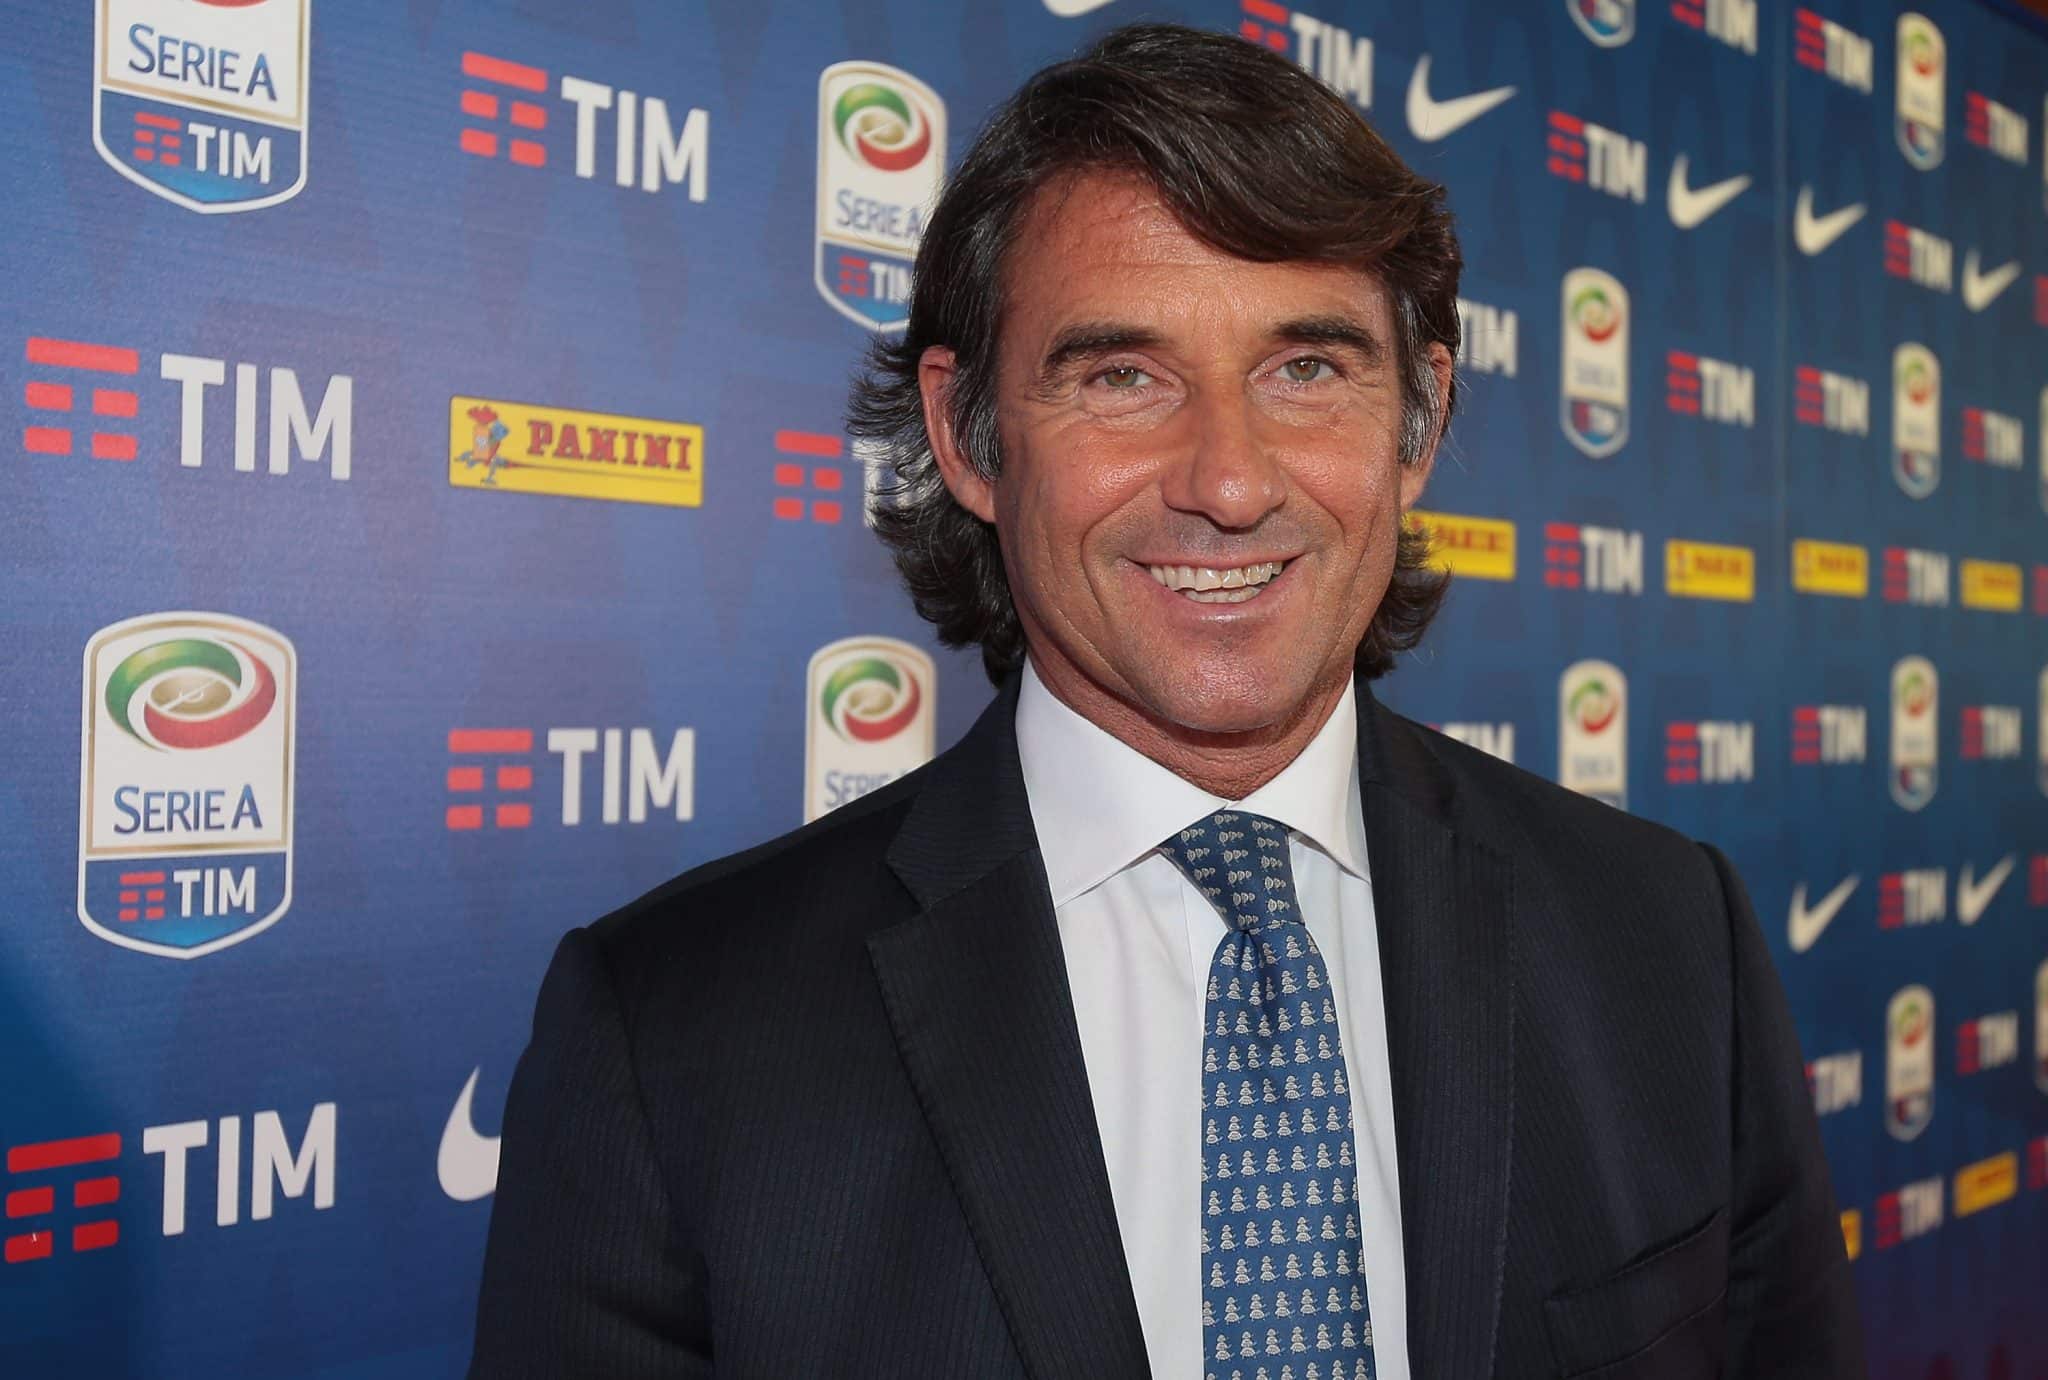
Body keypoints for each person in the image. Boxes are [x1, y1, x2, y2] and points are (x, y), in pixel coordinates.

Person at [470, 23, 1863, 1379]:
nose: (1231, 479)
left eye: (1305, 369)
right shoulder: (671, 1038)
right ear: (969, 436)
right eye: (1123, 376)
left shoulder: (1672, 938)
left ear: (1419, 424)